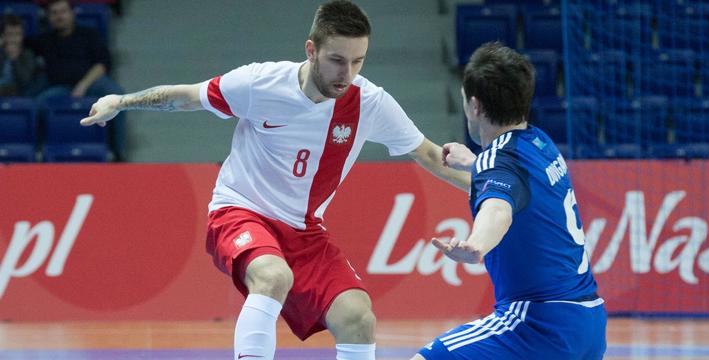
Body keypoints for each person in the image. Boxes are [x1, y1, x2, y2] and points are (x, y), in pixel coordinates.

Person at [79, 1, 470, 359]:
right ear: (311, 50)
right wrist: (122, 101)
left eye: (357, 62)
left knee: (358, 317)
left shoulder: (369, 102)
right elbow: (186, 96)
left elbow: (430, 154)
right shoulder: (260, 83)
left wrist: (491, 192)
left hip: (305, 231)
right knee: (273, 275)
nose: (347, 74)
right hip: (239, 211)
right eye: (337, 60)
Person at [413, 42, 607, 360]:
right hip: (588, 324)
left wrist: (477, 243)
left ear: (474, 105)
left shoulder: (496, 163)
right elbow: (509, 189)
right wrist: (474, 164)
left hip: (536, 324)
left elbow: (498, 209)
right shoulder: (540, 143)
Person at [30, 0, 125, 159]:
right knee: (36, 105)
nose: (59, 16)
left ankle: (117, 153)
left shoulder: (89, 34)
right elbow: (18, 44)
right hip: (60, 87)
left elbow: (102, 64)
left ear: (72, 13)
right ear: (48, 17)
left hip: (92, 83)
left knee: (118, 98)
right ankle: (37, 154)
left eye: (63, 11)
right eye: (54, 13)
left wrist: (83, 85)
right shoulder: (44, 40)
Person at [0, 14, 41, 97]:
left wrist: (15, 60)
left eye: (18, 34)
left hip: (17, 91)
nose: (14, 39)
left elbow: (25, 81)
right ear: (3, 36)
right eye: (10, 34)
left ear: (22, 36)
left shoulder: (28, 54)